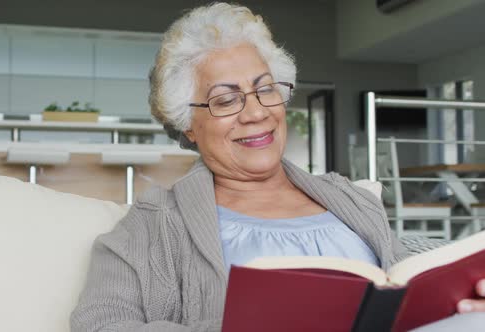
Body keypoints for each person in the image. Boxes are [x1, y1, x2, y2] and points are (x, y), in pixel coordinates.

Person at [71, 3, 485, 331]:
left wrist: (464, 299)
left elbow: (403, 283)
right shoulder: (154, 224)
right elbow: (101, 324)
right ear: (188, 125)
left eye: (264, 89)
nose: (255, 113)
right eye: (226, 99)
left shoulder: (348, 198)